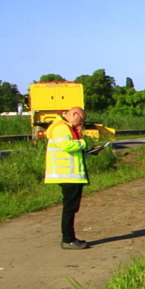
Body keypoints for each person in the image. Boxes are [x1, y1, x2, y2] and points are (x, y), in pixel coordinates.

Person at [45, 106, 92, 249]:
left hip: (71, 174)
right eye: (81, 120)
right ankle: (68, 239)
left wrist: (86, 151)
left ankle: (69, 238)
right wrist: (83, 143)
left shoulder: (65, 127)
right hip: (67, 174)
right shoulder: (61, 127)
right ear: (74, 114)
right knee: (69, 209)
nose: (81, 124)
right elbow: (65, 145)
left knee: (71, 208)